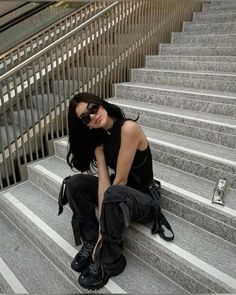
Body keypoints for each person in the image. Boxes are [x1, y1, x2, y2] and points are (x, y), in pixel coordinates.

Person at [59, 92, 173, 291]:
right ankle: (90, 239)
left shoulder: (128, 128)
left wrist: (105, 233)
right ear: (85, 124)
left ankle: (111, 260)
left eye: (93, 108)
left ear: (100, 103)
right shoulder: (101, 138)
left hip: (143, 198)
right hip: (120, 194)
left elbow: (119, 182)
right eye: (86, 117)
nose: (93, 116)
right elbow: (105, 182)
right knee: (74, 184)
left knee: (114, 192)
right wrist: (98, 235)